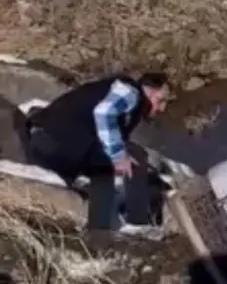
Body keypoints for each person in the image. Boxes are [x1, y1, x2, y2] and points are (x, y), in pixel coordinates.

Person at [24, 72, 169, 239]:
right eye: (161, 100)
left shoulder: (118, 93)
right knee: (124, 161)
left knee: (113, 160)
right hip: (56, 142)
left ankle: (98, 228)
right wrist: (119, 156)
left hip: (49, 139)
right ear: (149, 91)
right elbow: (104, 113)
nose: (162, 108)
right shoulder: (130, 92)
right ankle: (127, 227)